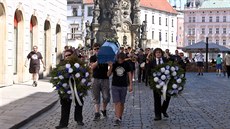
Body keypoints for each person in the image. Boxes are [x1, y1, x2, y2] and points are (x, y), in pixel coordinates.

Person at [55, 49, 85, 129]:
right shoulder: (61, 64)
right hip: (65, 89)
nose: (67, 57)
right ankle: (63, 124)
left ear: (72, 55)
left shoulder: (78, 63)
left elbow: (83, 74)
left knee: (79, 103)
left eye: (69, 55)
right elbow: (57, 75)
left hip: (76, 88)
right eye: (66, 55)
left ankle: (79, 119)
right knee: (65, 106)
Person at [107, 52, 133, 126]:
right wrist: (111, 67)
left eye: (121, 59)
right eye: (119, 59)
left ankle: (119, 116)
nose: (120, 61)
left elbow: (129, 74)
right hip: (115, 85)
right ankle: (117, 118)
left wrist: (130, 85)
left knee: (122, 103)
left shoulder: (126, 64)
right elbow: (108, 74)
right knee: (117, 102)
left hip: (124, 85)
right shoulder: (114, 64)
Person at [90, 43, 110, 121]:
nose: (96, 50)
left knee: (106, 97)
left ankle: (104, 109)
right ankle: (97, 113)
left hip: (105, 79)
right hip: (95, 79)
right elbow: (92, 66)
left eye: (98, 49)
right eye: (95, 49)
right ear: (93, 50)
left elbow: (110, 64)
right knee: (96, 97)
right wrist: (98, 60)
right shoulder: (92, 57)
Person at [148, 48, 170, 121]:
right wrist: (150, 82)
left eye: (159, 52)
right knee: (157, 99)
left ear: (161, 53)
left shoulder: (166, 60)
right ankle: (157, 115)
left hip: (165, 82)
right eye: (157, 52)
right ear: (154, 54)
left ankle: (163, 110)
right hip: (156, 83)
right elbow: (148, 72)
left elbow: (171, 66)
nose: (158, 54)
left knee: (167, 97)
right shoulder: (152, 62)